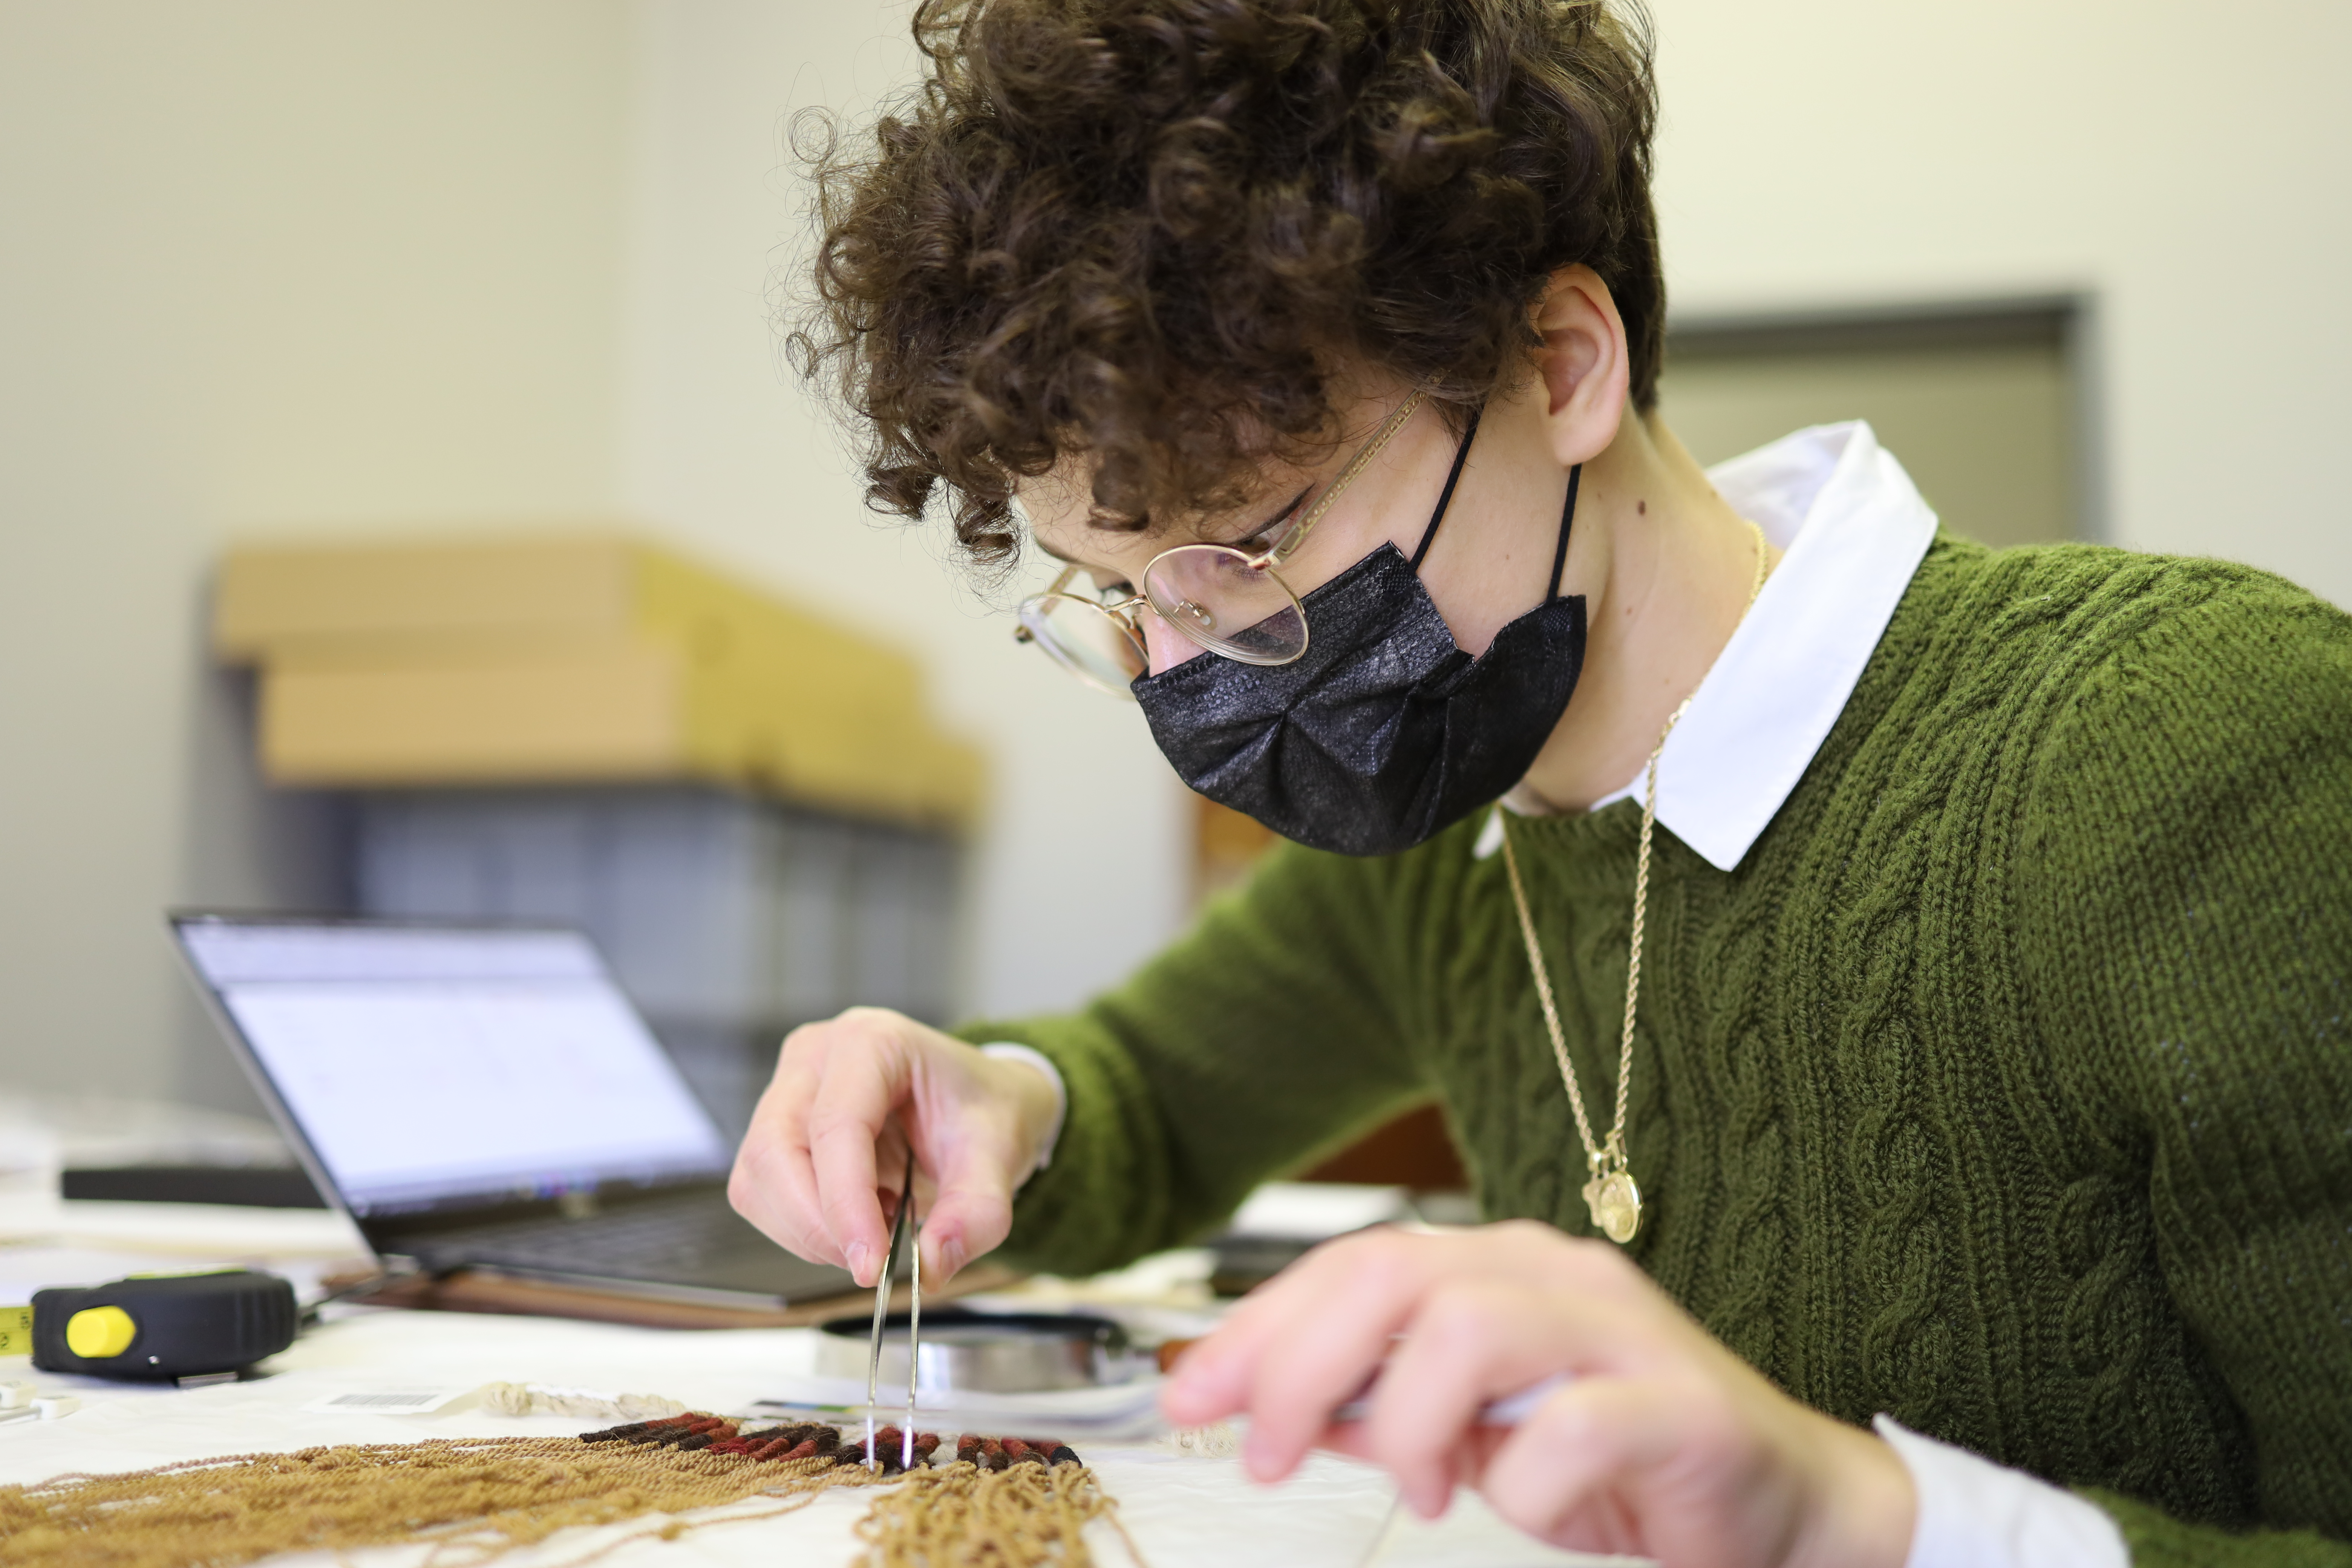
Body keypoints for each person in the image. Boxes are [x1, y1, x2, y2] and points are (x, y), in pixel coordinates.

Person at [728, 0, 2352, 1562]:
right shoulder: (1454, 846)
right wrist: (995, 1097)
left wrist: (1846, 1515)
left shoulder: (2202, 750)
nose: (1191, 665)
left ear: (1562, 364)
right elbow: (1144, 1093)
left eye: (1250, 548)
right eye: (1121, 592)